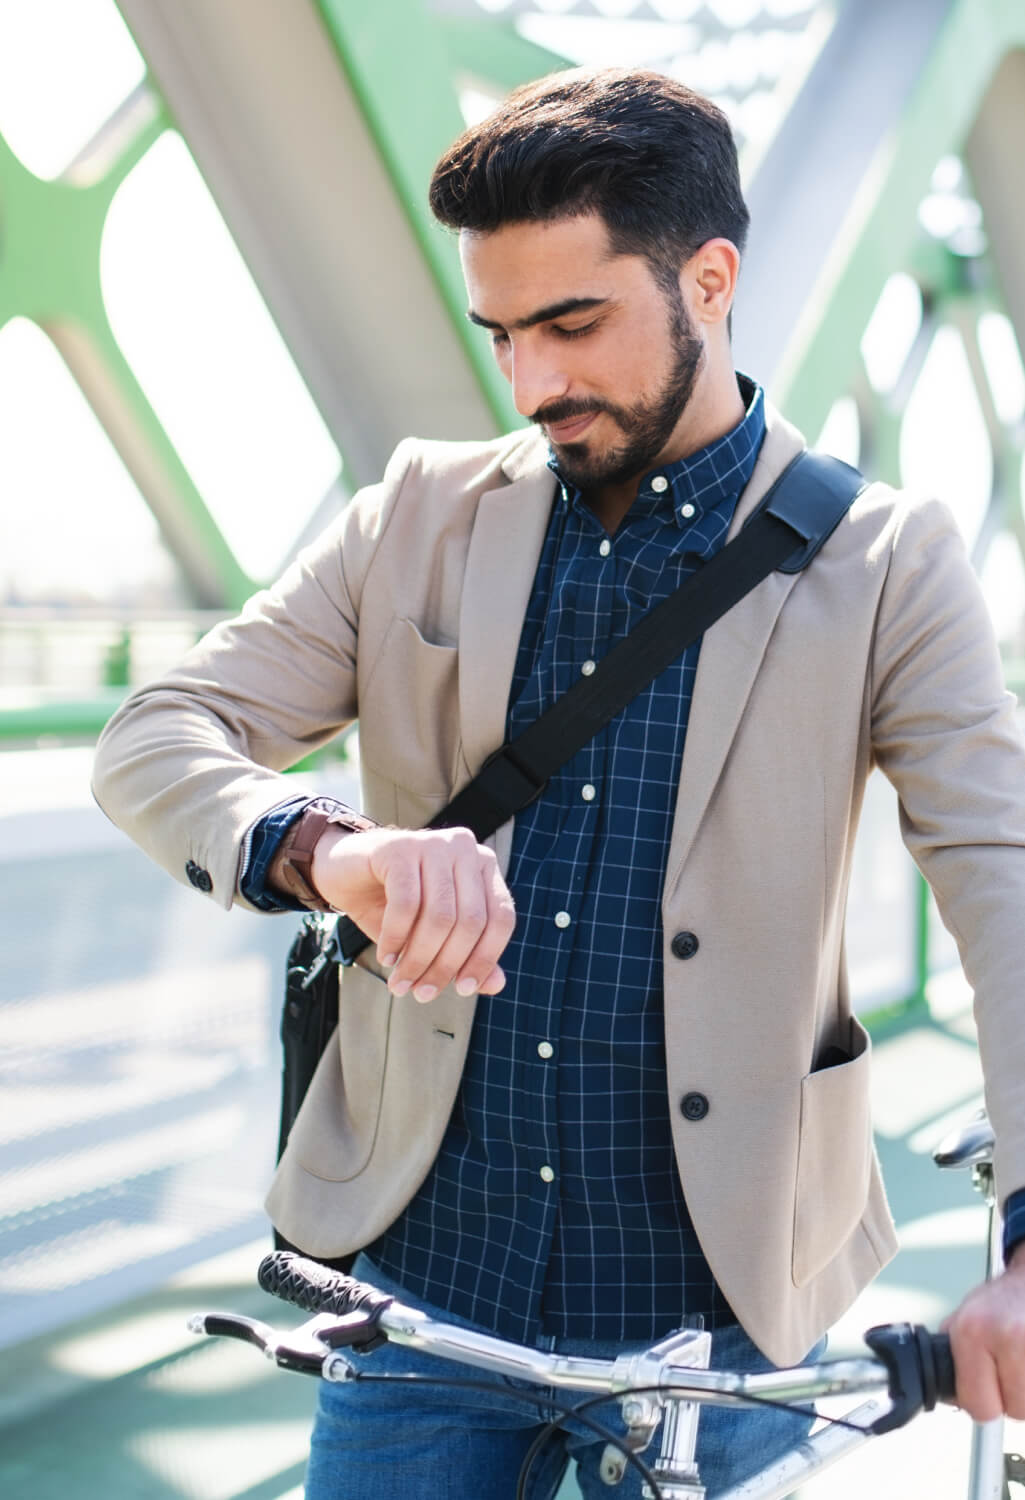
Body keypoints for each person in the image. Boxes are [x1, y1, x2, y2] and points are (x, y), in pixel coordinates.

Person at [93, 66, 1025, 1498]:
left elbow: (1003, 878)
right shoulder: (417, 510)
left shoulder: (886, 560)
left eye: (572, 325)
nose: (530, 384)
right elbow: (160, 731)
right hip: (417, 1305)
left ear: (707, 279)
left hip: (725, 1325)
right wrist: (329, 850)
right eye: (502, 334)